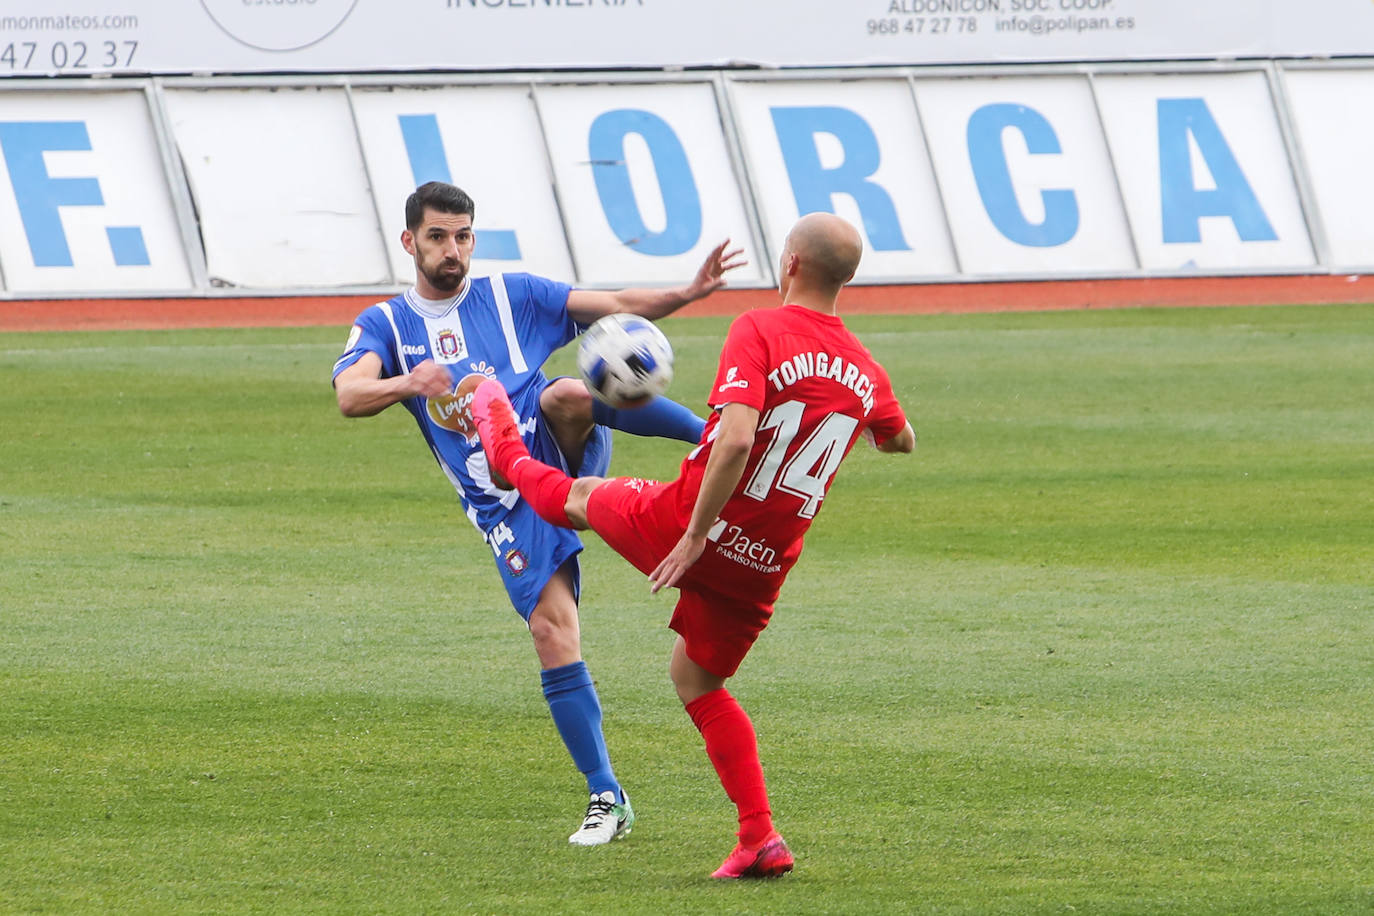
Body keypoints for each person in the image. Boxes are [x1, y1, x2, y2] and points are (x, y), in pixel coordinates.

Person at [465, 211, 916, 878]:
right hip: (765, 560)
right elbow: (900, 439)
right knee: (696, 678)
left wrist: (696, 536)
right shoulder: (865, 370)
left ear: (789, 263)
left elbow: (734, 439)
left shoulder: (758, 328)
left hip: (692, 521)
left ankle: (500, 437)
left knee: (581, 496)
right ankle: (759, 836)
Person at [331, 181, 745, 846]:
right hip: (502, 505)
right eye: (437, 236)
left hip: (556, 451)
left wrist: (686, 294)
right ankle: (607, 796)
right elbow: (351, 394)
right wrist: (410, 382)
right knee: (553, 633)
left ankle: (709, 438)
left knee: (572, 393)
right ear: (410, 242)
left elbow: (613, 306)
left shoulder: (512, 295)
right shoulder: (387, 325)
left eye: (463, 236)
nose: (452, 250)